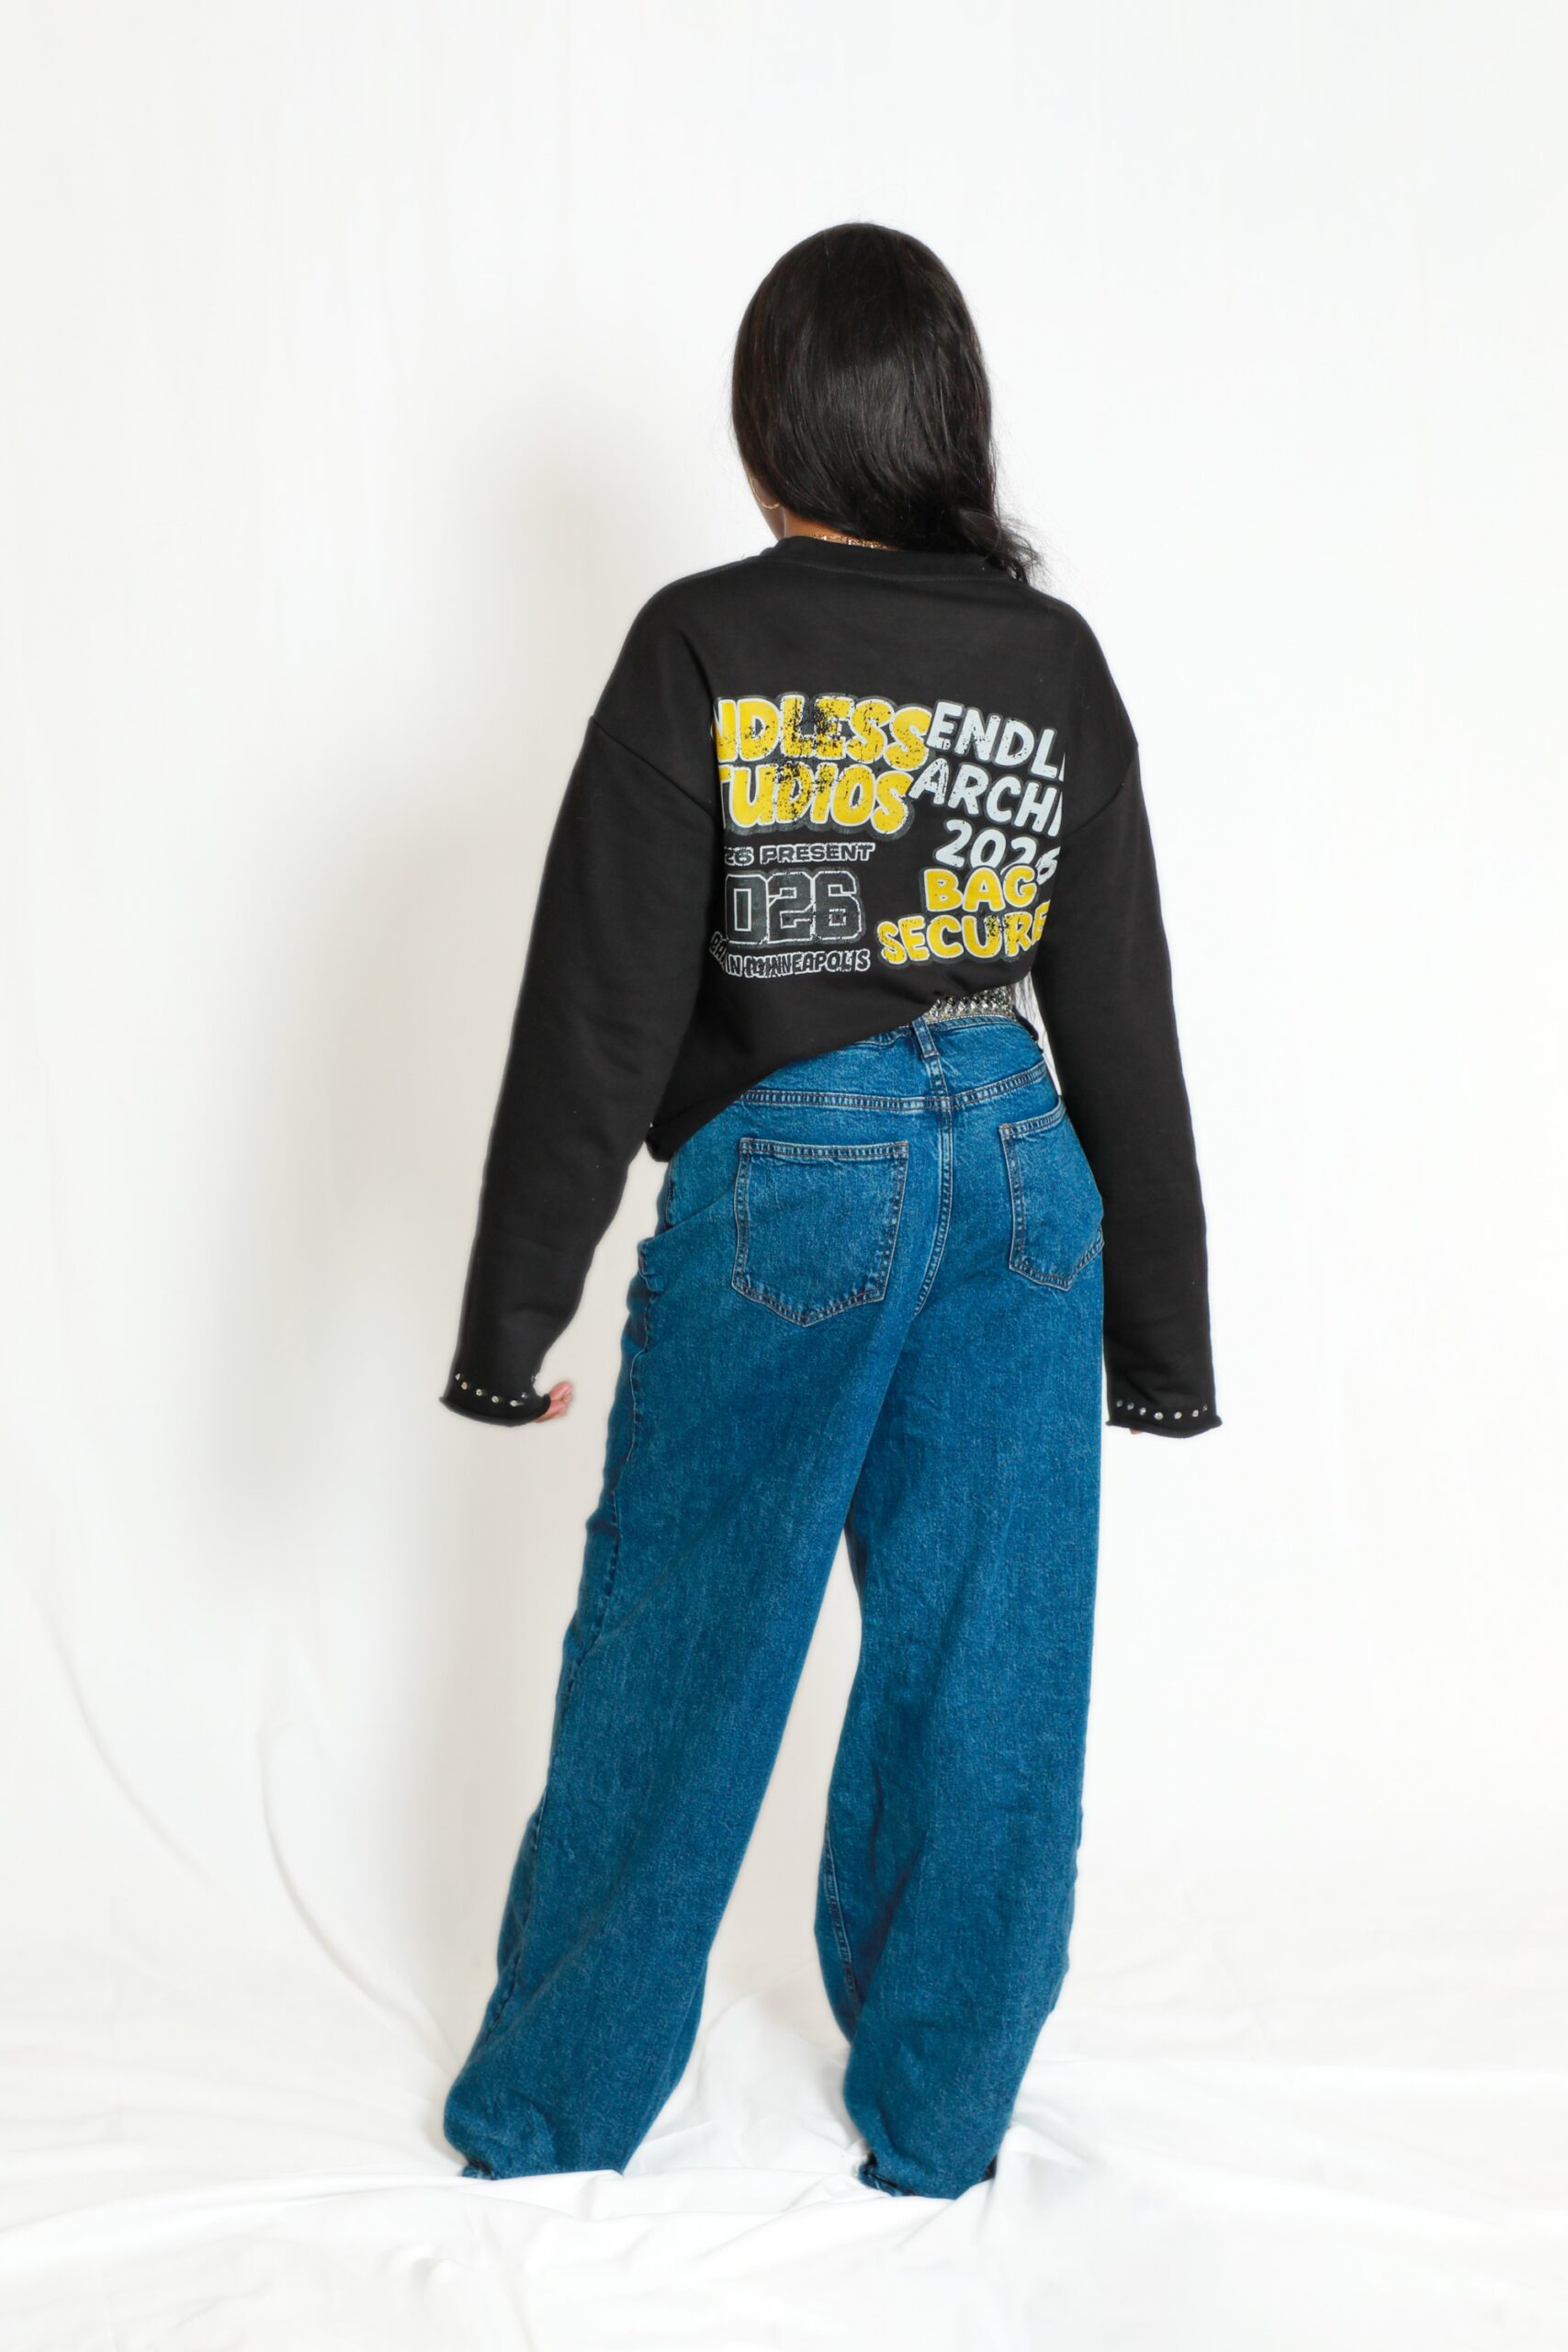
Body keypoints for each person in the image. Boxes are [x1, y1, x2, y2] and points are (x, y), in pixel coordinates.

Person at [438, 221, 1220, 2202]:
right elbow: (1118, 1009)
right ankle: (941, 2129)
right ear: (946, 419)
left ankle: (552, 2124)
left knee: (681, 1651)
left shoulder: (701, 641)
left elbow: (600, 1007)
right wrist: (1157, 1336)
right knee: (990, 1669)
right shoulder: (1048, 659)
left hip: (796, 1172)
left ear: (769, 422)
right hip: (1022, 1165)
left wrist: (509, 1325)